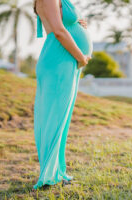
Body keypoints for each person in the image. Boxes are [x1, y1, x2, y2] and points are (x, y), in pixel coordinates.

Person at [33, 0, 93, 189]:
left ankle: (57, 171)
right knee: (54, 119)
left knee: (61, 120)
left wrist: (77, 24)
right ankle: (49, 175)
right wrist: (81, 57)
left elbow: (63, 25)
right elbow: (58, 31)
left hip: (65, 61)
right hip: (59, 61)